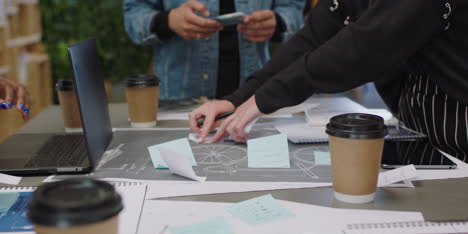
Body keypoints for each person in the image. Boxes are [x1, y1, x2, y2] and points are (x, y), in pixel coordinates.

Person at [190, 0, 468, 162]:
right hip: (421, 129)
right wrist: (236, 99)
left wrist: (265, 98)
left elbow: (366, 45)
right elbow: (312, 39)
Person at [123, 0, 304, 101]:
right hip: (179, 103)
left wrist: (279, 22)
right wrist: (167, 21)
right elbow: (134, 12)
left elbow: (293, 7)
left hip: (255, 98)